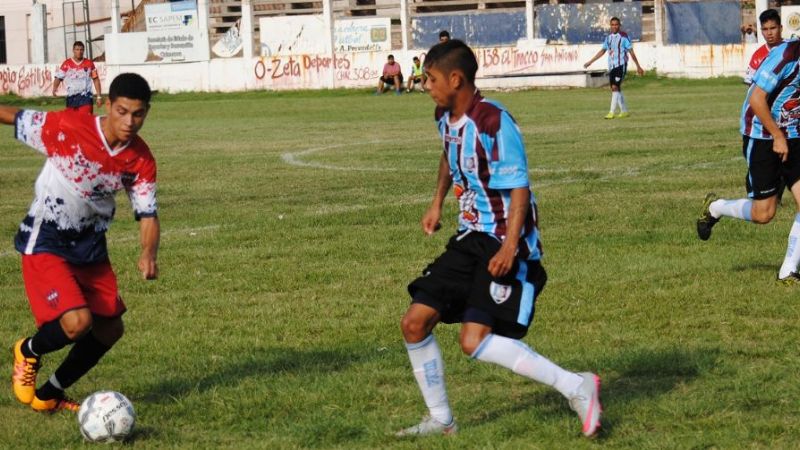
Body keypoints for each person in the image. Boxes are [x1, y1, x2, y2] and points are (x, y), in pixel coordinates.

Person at [396, 39, 602, 438]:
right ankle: (441, 421)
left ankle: (577, 386)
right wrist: (436, 203)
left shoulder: (493, 121)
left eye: (431, 79)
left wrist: (509, 247)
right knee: (414, 323)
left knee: (473, 341)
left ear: (456, 79)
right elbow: (448, 154)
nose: (425, 86)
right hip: (469, 237)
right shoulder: (444, 116)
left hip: (504, 241)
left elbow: (520, 188)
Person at [6, 73, 160, 413]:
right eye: (122, 111)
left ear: (146, 112)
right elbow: (15, 116)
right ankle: (28, 351)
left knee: (110, 328)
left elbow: (148, 213)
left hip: (90, 247)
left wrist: (148, 252)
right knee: (78, 323)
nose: (129, 122)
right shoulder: (69, 127)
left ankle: (49, 393)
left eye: (138, 114)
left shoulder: (140, 159)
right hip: (46, 237)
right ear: (108, 105)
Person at [697, 39, 800, 285]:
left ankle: (788, 271)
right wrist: (777, 136)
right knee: (764, 214)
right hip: (762, 135)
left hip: (794, 135)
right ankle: (716, 208)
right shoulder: (787, 56)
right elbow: (756, 98)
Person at [583, 17, 644, 119]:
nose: (614, 26)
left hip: (621, 65)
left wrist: (638, 66)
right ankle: (624, 111)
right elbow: (603, 51)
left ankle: (611, 112)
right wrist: (590, 61)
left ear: (619, 25)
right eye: (612, 25)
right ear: (610, 26)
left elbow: (631, 52)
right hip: (611, 66)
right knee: (615, 88)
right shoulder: (608, 38)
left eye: (616, 24)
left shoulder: (624, 37)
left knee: (615, 87)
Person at [52, 41, 102, 114]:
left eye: (81, 50)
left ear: (83, 50)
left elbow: (96, 79)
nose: (79, 52)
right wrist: (54, 89)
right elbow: (58, 78)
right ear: (73, 50)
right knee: (72, 119)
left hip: (86, 97)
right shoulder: (67, 63)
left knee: (85, 118)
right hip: (71, 97)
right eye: (77, 49)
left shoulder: (89, 63)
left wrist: (99, 96)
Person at [744, 10, 783, 86]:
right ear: (761, 31)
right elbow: (750, 85)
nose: (769, 33)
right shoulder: (757, 57)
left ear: (780, 28)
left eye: (773, 28)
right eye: (765, 29)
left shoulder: (793, 49)